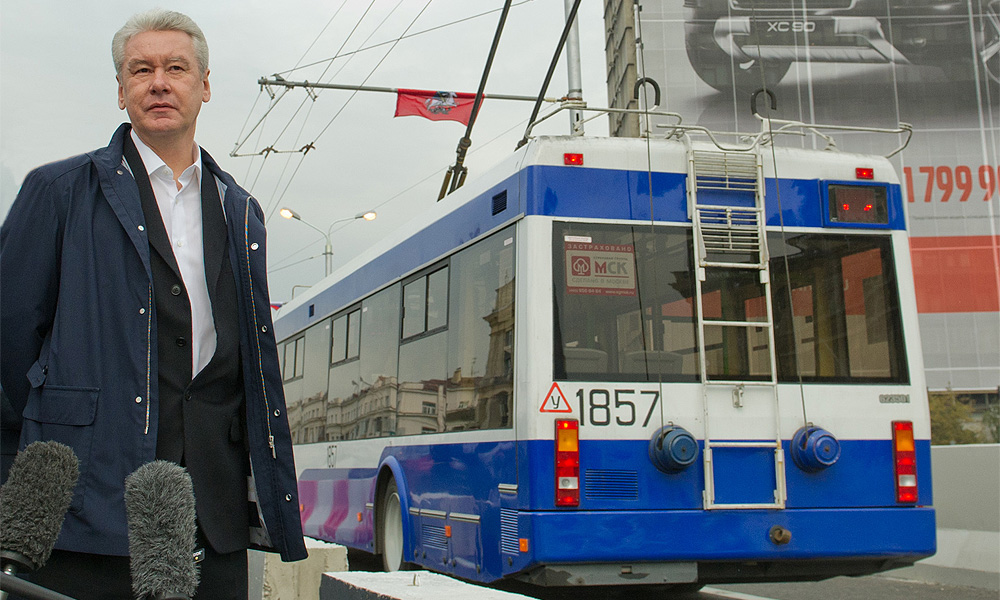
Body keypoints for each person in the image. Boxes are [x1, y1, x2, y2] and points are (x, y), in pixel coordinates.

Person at [0, 9, 307, 599]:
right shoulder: (59, 191)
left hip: (208, 513)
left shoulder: (241, 210)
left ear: (206, 86)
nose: (159, 82)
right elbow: (9, 340)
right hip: (89, 505)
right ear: (121, 92)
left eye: (176, 68)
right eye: (141, 70)